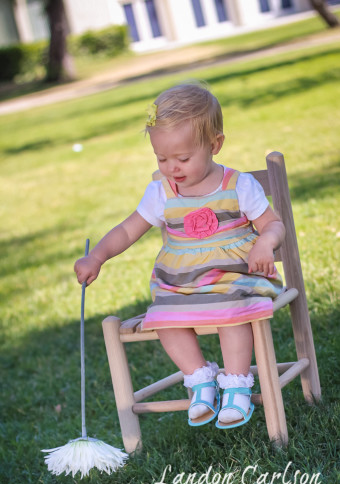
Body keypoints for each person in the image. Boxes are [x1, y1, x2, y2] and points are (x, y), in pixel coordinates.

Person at [74, 82, 285, 430]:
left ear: (215, 144)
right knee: (164, 317)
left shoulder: (238, 186)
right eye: (162, 159)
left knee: (232, 313)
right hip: (181, 284)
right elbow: (128, 230)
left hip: (235, 277)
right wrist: (96, 256)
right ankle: (199, 379)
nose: (172, 167)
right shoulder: (161, 193)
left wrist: (265, 242)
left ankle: (236, 387)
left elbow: (273, 225)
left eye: (183, 158)